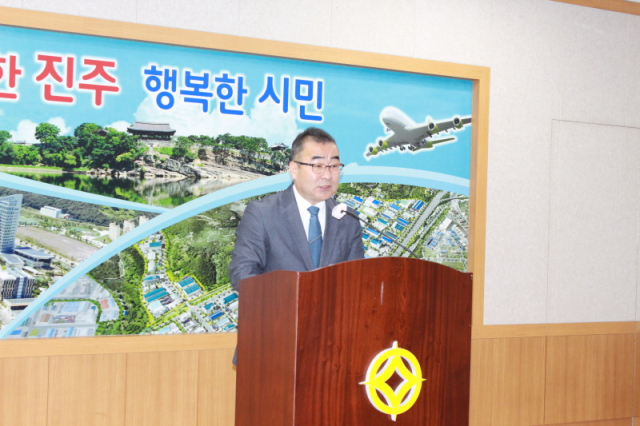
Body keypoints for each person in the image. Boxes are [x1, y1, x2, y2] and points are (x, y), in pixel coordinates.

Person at [229, 127, 364, 292]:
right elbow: (242, 273)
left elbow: (356, 278)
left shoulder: (348, 218)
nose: (328, 175)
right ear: (294, 169)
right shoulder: (262, 213)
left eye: (334, 166)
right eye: (318, 165)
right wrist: (289, 298)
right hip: (279, 307)